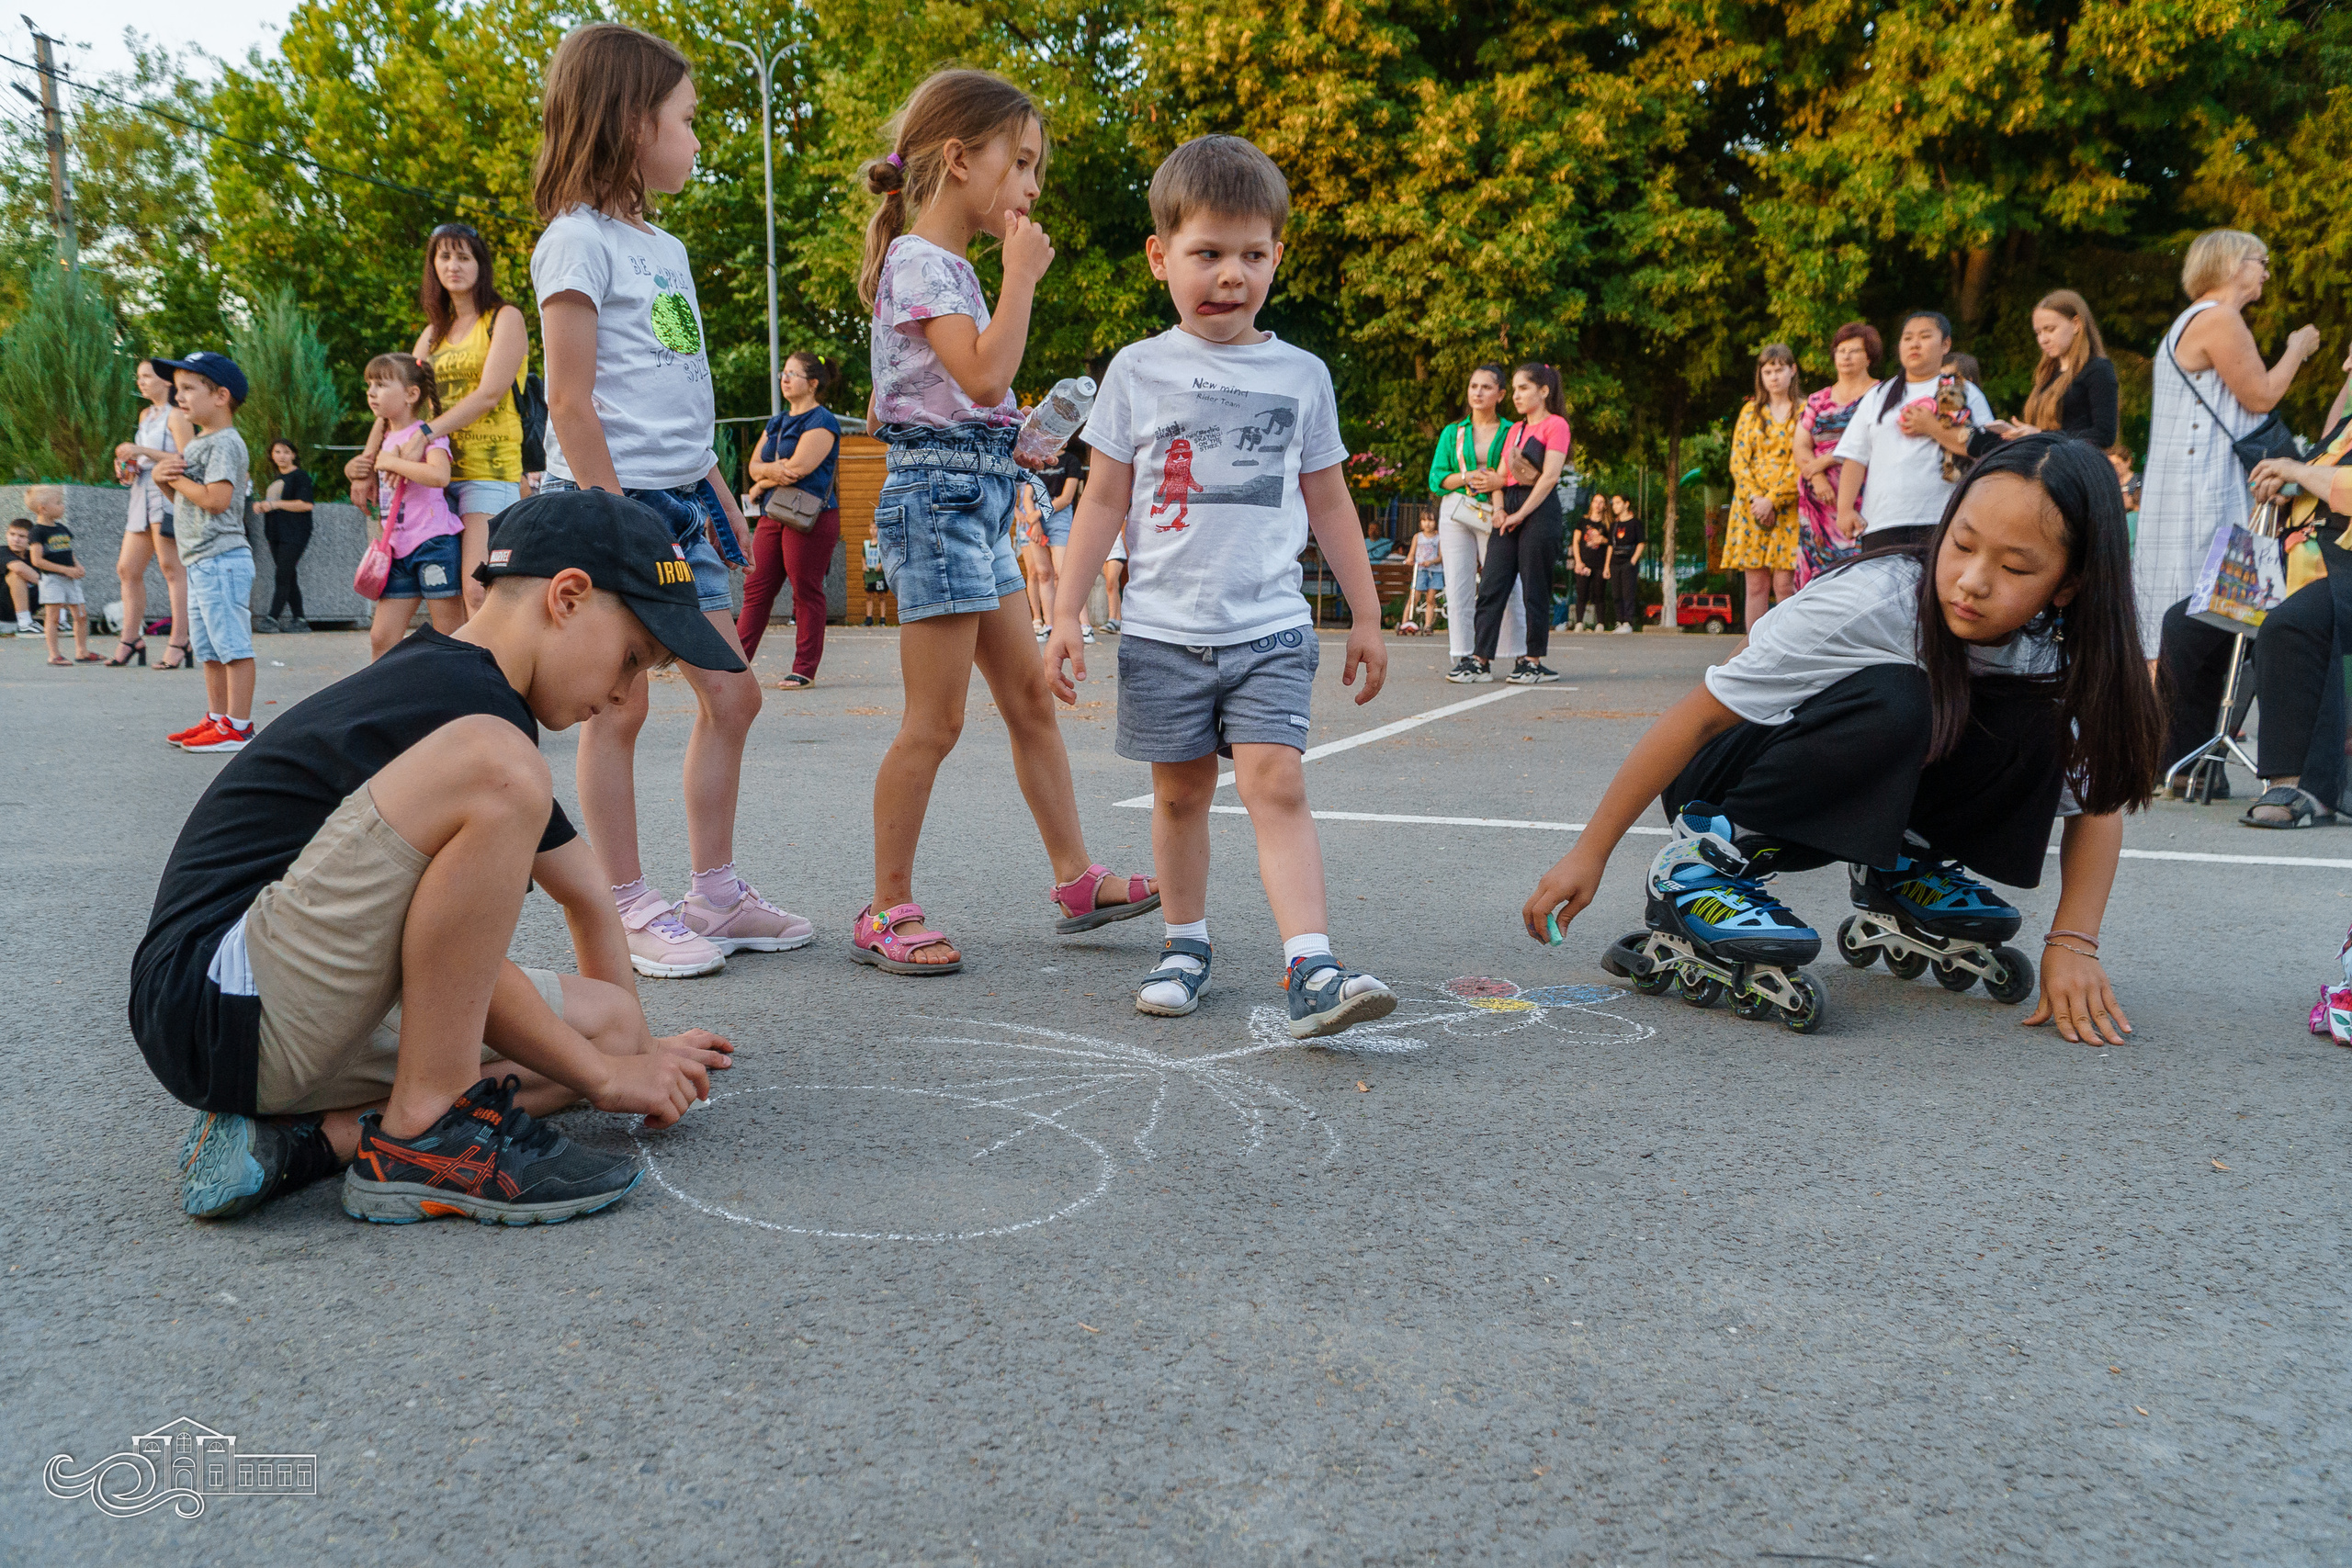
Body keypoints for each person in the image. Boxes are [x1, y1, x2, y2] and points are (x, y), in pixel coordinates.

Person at [131, 490, 740, 1224]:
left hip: (292, 1003)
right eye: (634, 658)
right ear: (568, 597)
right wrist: (607, 1079)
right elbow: (454, 962)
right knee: (584, 1049)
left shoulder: (485, 712)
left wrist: (632, 1050)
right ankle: (426, 1127)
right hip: (221, 993)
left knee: (604, 1022)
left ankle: (307, 1142)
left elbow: (584, 891)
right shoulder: (469, 722)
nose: (622, 692)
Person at [1522, 434, 2165, 1046]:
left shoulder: (2063, 648)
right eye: (1962, 544)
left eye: (2015, 566)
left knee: (2038, 713)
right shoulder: (1877, 602)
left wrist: (2073, 941)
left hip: (1870, 793)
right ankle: (1700, 866)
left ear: (2068, 584)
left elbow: (2098, 798)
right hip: (1732, 778)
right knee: (1903, 695)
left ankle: (1900, 864)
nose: (1972, 580)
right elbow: (1700, 718)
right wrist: (1591, 851)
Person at [1046, 133, 1394, 1038]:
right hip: (1162, 630)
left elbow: (1330, 499)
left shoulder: (1301, 375)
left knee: (1275, 783)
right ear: (1162, 256)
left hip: (1270, 628)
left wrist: (1366, 613)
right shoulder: (1136, 369)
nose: (1230, 275)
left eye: (1252, 254)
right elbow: (1104, 501)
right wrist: (1063, 616)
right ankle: (1185, 942)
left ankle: (1310, 963)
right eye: (1207, 253)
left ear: (1278, 253)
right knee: (1179, 794)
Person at [852, 66, 1158, 974]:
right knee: (932, 722)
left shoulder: (941, 270)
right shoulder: (922, 262)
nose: (1030, 188)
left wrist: (1022, 438)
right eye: (1020, 164)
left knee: (1027, 698)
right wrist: (1020, 279)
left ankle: (1074, 878)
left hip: (972, 497)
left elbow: (968, 398)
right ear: (959, 158)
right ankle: (886, 908)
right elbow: (982, 375)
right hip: (940, 505)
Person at [533, 22, 808, 978]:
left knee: (731, 695)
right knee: (615, 708)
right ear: (628, 120)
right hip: (609, 506)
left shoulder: (666, 246)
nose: (698, 140)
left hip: (685, 500)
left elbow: (678, 391)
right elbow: (570, 401)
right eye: (687, 121)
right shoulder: (574, 240)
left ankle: (715, 894)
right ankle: (621, 905)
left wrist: (724, 496)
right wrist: (616, 523)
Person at [2136, 229, 2323, 661]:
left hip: (2183, 486)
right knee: (2209, 612)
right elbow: (2261, 395)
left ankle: (2179, 720)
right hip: (2205, 489)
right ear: (2234, 264)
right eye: (2262, 261)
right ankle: (2189, 721)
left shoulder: (2191, 320)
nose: (2267, 274)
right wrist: (2297, 348)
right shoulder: (2219, 318)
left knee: (2178, 611)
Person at [348, 221, 531, 617]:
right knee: (447, 600)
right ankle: (462, 675)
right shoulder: (432, 335)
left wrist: (426, 433)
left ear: (480, 265)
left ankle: (498, 677)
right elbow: (397, 403)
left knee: (477, 590)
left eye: (464, 256)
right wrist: (366, 465)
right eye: (444, 256)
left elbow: (489, 394)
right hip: (433, 474)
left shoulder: (504, 319)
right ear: (433, 266)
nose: (454, 265)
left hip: (489, 467)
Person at [2233, 346, 2352, 827]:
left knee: (2288, 625)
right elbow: (2317, 486)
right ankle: (2182, 764)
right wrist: (2283, 489)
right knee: (2189, 619)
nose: (2345, 367)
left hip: (2340, 565)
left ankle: (2295, 781)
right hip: (2303, 559)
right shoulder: (2343, 429)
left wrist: (2298, 472)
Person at [150, 351, 257, 754]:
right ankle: (217, 718)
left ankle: (240, 727)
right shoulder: (199, 443)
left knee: (232, 645)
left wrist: (175, 482)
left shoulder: (226, 443)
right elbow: (187, 502)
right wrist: (166, 482)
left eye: (189, 388)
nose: (180, 397)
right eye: (178, 389)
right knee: (209, 647)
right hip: (200, 560)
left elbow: (216, 499)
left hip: (222, 558)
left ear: (221, 396)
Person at [1832, 310, 1994, 547]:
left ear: (1945, 344)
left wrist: (1932, 428)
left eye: (1925, 336)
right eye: (1907, 338)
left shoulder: (1964, 391)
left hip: (1943, 518)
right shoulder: (1879, 395)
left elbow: (1986, 448)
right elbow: (1856, 456)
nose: (1914, 344)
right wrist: (1845, 509)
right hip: (1882, 520)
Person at [736, 351, 843, 687]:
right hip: (774, 513)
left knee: (806, 590)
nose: (784, 378)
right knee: (755, 587)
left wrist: (761, 482)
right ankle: (735, 663)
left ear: (812, 383)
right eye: (783, 373)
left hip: (809, 516)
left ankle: (804, 669)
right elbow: (753, 464)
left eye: (793, 374)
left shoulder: (823, 421)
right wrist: (767, 474)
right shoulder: (777, 422)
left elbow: (798, 469)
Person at [1464, 363, 1569, 683]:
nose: (1517, 396)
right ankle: (1479, 660)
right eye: (1515, 389)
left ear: (1544, 391)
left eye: (1524, 388)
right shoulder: (1515, 430)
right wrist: (1498, 511)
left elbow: (1550, 476)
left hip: (1538, 509)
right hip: (1507, 507)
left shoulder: (1556, 425)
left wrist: (1521, 514)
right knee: (1492, 585)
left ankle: (1532, 661)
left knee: (1535, 590)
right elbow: (1499, 477)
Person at [360, 355, 469, 661]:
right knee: (382, 637)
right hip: (395, 548)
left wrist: (393, 462)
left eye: (381, 385)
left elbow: (439, 476)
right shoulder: (384, 437)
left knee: (449, 632)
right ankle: (388, 705)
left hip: (433, 543)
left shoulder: (426, 433)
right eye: (369, 384)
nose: (371, 392)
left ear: (411, 394)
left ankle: (456, 700)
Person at [1427, 364, 1523, 680]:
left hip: (1496, 511)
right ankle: (1465, 655)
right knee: (1458, 584)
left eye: (1485, 387)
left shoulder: (1513, 431)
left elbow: (1520, 474)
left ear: (1501, 394)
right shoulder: (1453, 432)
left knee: (1506, 583)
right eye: (1473, 386)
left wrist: (1497, 481)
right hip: (1457, 510)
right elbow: (1437, 479)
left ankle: (1519, 654)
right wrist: (1468, 476)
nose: (1478, 392)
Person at [110, 357, 191, 667]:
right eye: (139, 377)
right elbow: (142, 457)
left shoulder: (178, 415)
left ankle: (180, 640)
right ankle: (131, 638)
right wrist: (127, 466)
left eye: (147, 376)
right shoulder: (146, 414)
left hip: (166, 495)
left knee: (172, 569)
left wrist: (141, 451)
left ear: (166, 381)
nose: (141, 381)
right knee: (127, 569)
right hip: (140, 493)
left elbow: (188, 455)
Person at [1793, 321, 1881, 585]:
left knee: (1858, 576)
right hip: (1818, 505)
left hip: (1864, 498)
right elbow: (1800, 445)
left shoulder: (1881, 394)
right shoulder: (1817, 399)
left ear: (1869, 357)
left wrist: (1826, 459)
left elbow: (1875, 441)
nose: (1845, 356)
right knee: (1816, 578)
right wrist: (1818, 479)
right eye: (1841, 350)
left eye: (1854, 350)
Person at [1725, 344, 1804, 628]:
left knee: (1785, 585)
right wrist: (1759, 500)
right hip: (1751, 507)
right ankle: (1752, 657)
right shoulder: (1750, 412)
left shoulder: (1805, 411)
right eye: (1767, 371)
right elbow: (1738, 461)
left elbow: (1802, 461)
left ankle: (1787, 651)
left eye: (1779, 370)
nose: (1773, 377)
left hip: (1790, 507)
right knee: (1756, 586)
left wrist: (1774, 499)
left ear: (1792, 370)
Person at [1995, 290, 2119, 448]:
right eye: (2038, 333)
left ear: (2076, 324)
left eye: (2050, 329)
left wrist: (2040, 434)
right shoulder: (2047, 372)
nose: (2042, 340)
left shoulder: (2098, 369)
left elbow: (2104, 435)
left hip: (2076, 467)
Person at [20, 487, 94, 664]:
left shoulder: (61, 528)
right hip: (52, 580)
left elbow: (68, 551)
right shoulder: (37, 532)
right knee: (53, 617)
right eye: (59, 503)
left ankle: (82, 651)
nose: (63, 506)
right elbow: (37, 561)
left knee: (81, 615)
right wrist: (65, 570)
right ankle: (54, 654)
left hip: (71, 579)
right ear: (43, 508)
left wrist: (77, 566)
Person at [254, 439, 315, 633]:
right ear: (272, 455)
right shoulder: (275, 478)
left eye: (286, 452)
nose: (282, 456)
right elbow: (274, 504)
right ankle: (300, 619)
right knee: (289, 575)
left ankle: (272, 618)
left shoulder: (300, 476)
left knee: (282, 575)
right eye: (278, 452)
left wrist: (274, 505)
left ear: (294, 455)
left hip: (295, 533)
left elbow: (306, 504)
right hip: (276, 534)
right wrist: (262, 506)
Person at [1040, 434, 1095, 643]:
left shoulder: (1071, 460)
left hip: (1058, 515)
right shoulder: (1040, 460)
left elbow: (1066, 498)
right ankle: (1050, 625)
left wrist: (1037, 514)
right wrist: (1033, 518)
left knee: (1065, 573)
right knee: (1044, 574)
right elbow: (1029, 492)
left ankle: (1084, 625)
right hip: (1036, 516)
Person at [1399, 510, 1443, 632]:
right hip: (1420, 571)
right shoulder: (1417, 537)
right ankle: (1404, 623)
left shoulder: (1439, 538)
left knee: (1431, 599)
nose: (1427, 524)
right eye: (1424, 521)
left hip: (1435, 571)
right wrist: (1409, 560)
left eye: (1430, 520)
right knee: (1414, 597)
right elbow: (1411, 554)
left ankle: (1428, 625)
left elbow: (1440, 556)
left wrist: (1431, 562)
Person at [1569, 499, 1610, 631]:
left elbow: (1611, 544)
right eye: (1595, 501)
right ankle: (1579, 622)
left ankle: (1600, 623)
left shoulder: (1607, 524)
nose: (1598, 504)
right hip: (1584, 562)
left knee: (1599, 593)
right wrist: (1578, 561)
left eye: (1601, 502)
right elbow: (1575, 542)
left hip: (1600, 563)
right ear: (1591, 503)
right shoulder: (1583, 521)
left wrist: (1603, 540)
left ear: (1604, 506)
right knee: (1581, 593)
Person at [1607, 494, 1645, 632]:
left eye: (1618, 502)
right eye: (1613, 503)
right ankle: (1619, 620)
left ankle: (1628, 622)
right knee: (1616, 593)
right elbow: (1610, 545)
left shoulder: (1635, 523)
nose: (1615, 506)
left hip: (1628, 561)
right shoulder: (1614, 524)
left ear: (1626, 504)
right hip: (1615, 562)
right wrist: (1607, 565)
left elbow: (1641, 543)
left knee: (1628, 592)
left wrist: (1633, 560)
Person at [4, 519, 40, 634]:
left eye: (22, 536)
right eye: (12, 534)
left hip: (29, 608)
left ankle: (61, 620)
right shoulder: (2, 551)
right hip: (3, 610)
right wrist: (49, 584)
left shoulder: (34, 556)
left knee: (57, 574)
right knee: (16, 575)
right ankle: (24, 623)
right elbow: (19, 569)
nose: (16, 539)